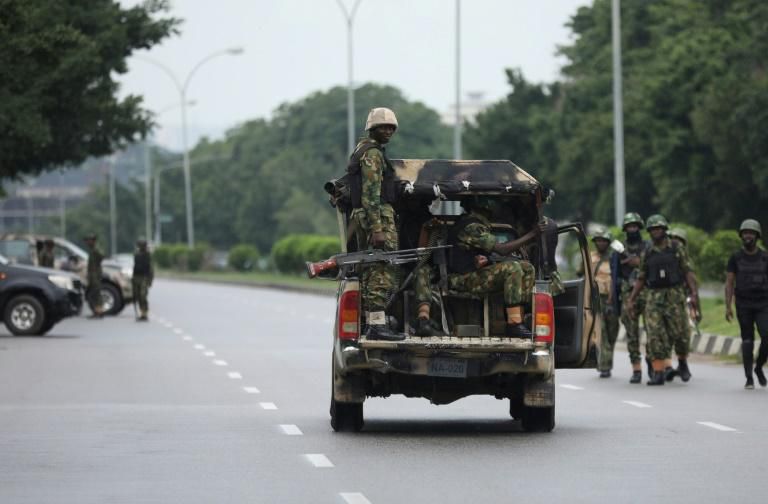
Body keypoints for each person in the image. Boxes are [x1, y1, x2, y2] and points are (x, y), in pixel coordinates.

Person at [443, 196, 537, 337]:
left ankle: (520, 318)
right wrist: (533, 234)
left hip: (473, 275)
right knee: (513, 268)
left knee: (527, 268)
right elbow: (502, 250)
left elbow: (487, 254)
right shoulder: (471, 226)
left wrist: (487, 260)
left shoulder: (479, 224)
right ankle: (514, 324)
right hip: (461, 279)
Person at [347, 107, 403, 341]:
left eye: (391, 127)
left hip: (369, 217)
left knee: (373, 270)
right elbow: (371, 194)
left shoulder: (363, 150)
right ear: (372, 128)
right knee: (383, 268)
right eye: (383, 127)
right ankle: (377, 326)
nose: (388, 131)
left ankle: (374, 323)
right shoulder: (372, 154)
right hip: (376, 217)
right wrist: (377, 229)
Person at [628, 215, 698, 386]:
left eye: (658, 229)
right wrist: (632, 299)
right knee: (655, 335)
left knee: (681, 333)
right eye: (652, 229)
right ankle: (658, 372)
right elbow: (641, 277)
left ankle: (682, 363)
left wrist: (694, 293)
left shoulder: (676, 248)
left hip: (675, 295)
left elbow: (687, 271)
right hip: (654, 296)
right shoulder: (648, 252)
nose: (655, 232)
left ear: (664, 230)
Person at [725, 219, 768, 389]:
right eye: (745, 233)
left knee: (767, 336)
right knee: (747, 340)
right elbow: (729, 282)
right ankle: (749, 377)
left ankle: (758, 367)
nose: (748, 236)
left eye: (751, 233)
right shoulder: (735, 257)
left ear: (757, 236)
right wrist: (728, 306)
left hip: (763, 303)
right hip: (743, 303)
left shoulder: (765, 257)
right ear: (741, 236)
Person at [612, 212, 650, 383]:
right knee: (632, 334)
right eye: (629, 227)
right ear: (625, 229)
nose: (632, 229)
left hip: (647, 291)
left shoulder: (648, 247)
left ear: (639, 228)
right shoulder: (619, 250)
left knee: (653, 332)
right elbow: (615, 276)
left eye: (635, 226)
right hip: (628, 294)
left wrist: (638, 263)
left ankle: (653, 363)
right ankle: (636, 369)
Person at [589, 228, 620, 378]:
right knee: (602, 333)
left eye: (603, 241)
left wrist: (612, 299)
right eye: (598, 240)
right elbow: (583, 274)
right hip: (596, 299)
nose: (601, 243)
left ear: (608, 243)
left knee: (612, 331)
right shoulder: (591, 257)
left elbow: (616, 278)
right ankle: (604, 365)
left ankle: (607, 360)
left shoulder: (614, 257)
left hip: (612, 299)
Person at [83, 234, 105, 318]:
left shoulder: (96, 249)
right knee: (93, 293)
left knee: (96, 293)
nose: (87, 242)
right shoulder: (92, 249)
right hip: (92, 275)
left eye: (88, 240)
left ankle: (99, 311)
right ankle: (97, 311)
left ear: (93, 241)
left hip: (95, 275)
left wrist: (96, 251)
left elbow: (102, 256)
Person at [133, 238, 154, 321]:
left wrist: (150, 280)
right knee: (138, 296)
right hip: (136, 277)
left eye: (142, 245)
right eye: (140, 245)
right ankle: (142, 312)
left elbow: (151, 269)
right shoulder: (136, 255)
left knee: (143, 295)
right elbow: (135, 267)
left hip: (144, 277)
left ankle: (145, 312)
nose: (141, 247)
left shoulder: (148, 255)